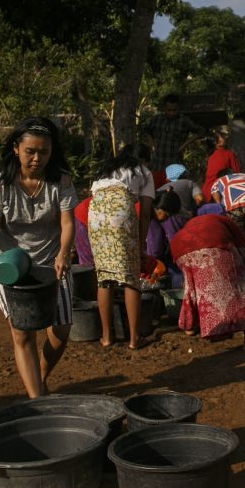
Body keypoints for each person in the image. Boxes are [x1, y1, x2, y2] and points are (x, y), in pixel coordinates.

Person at [0, 117, 78, 398]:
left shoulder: (61, 180)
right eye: (30, 152)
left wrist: (64, 253)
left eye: (44, 152)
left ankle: (40, 376)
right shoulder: (0, 185)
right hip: (11, 267)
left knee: (61, 331)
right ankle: (37, 400)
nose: (37, 158)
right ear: (16, 149)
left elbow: (68, 223)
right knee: (22, 333)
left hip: (53, 264)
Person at [88, 143, 155, 349]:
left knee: (104, 277)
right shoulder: (143, 171)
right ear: (143, 158)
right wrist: (141, 245)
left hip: (96, 216)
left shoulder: (104, 170)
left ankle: (107, 337)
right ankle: (135, 338)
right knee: (130, 277)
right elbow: (145, 213)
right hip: (120, 214)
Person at [169, 213, 245, 349]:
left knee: (193, 291)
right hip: (212, 241)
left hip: (179, 247)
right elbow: (243, 253)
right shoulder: (229, 224)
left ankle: (190, 328)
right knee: (241, 290)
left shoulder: (193, 224)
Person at [210, 170, 245, 284]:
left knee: (236, 240)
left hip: (232, 206)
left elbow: (218, 203)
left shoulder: (218, 181)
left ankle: (239, 274)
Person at [145, 189, 188, 289]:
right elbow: (155, 247)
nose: (167, 219)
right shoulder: (150, 219)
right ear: (159, 209)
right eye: (167, 215)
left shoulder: (151, 215)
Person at [148, 94, 203, 171]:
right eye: (169, 110)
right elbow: (147, 130)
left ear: (178, 108)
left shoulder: (183, 121)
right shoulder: (157, 120)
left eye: (174, 110)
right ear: (164, 108)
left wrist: (183, 146)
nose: (171, 113)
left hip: (174, 165)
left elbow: (200, 132)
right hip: (157, 164)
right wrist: (152, 145)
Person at [202, 129, 240, 198]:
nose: (225, 138)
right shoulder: (229, 153)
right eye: (222, 136)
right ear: (217, 143)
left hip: (206, 191)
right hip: (220, 190)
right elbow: (236, 173)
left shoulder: (210, 156)